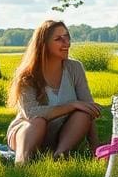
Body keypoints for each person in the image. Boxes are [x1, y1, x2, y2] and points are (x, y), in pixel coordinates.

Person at [6, 20, 101, 164]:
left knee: (84, 112)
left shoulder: (75, 68)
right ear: (43, 45)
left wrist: (95, 146)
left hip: (62, 134)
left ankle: (60, 157)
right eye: (59, 39)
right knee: (38, 122)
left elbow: (89, 108)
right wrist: (72, 105)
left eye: (67, 37)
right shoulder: (27, 75)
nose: (67, 43)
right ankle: (22, 163)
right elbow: (31, 113)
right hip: (28, 130)